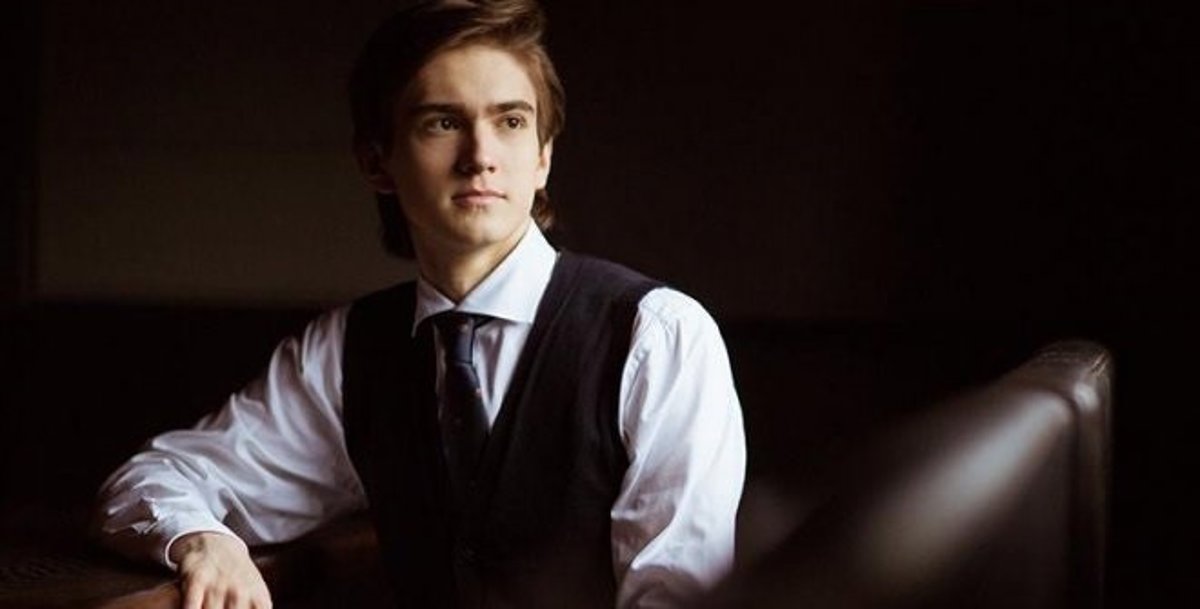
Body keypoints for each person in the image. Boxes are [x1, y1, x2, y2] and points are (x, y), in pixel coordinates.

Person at [93, 1, 746, 608]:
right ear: (377, 161)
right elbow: (153, 479)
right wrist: (203, 540)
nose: (480, 157)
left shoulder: (657, 337)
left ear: (543, 157)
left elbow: (677, 597)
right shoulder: (347, 352)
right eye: (443, 122)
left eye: (511, 122)